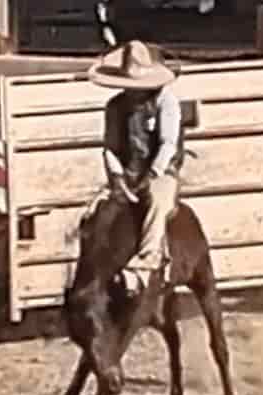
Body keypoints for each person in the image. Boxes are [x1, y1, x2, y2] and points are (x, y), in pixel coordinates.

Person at [86, 40, 185, 295]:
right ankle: (89, 274)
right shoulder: (115, 107)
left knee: (157, 202)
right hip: (127, 174)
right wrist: (118, 178)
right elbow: (111, 148)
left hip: (161, 173)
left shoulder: (166, 102)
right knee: (92, 215)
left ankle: (144, 267)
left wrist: (151, 174)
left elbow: (168, 144)